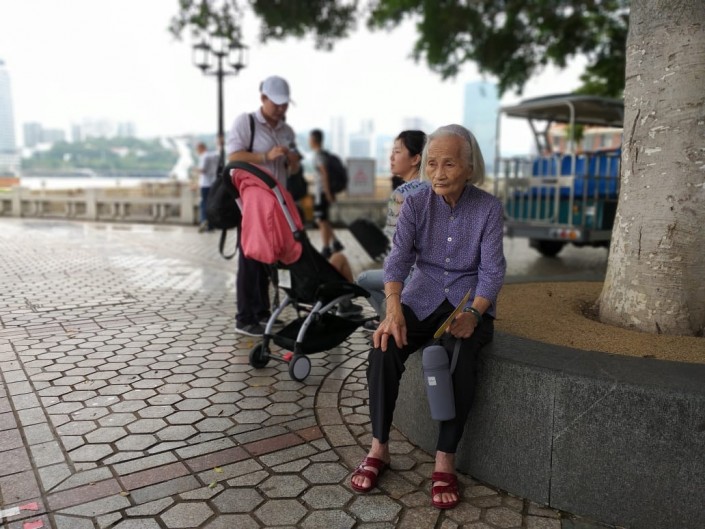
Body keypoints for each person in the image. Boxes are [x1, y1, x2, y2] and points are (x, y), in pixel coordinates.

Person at [350, 124, 506, 510]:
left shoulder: (488, 208)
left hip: (468, 302)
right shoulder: (415, 204)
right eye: (432, 164)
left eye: (449, 164)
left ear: (469, 167)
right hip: (420, 296)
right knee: (383, 345)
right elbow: (398, 260)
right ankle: (379, 447)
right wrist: (392, 310)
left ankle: (444, 460)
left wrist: (474, 313)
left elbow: (492, 271)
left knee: (460, 356)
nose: (438, 173)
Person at [226, 75, 301, 337]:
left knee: (269, 257)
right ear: (263, 98)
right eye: (276, 103)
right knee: (250, 257)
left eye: (284, 104)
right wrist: (265, 156)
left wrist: (292, 160)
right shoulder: (246, 122)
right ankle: (245, 317)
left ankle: (262, 312)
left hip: (277, 203)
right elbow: (233, 157)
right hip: (252, 204)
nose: (280, 108)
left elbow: (294, 169)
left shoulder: (287, 131)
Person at [356, 130, 427, 331]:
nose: (391, 157)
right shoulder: (436, 189)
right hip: (434, 273)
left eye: (397, 151)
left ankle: (388, 320)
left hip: (412, 275)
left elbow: (397, 249)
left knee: (362, 280)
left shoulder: (401, 194)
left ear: (415, 159)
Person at [308, 129, 344, 259]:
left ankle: (326, 247)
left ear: (314, 140)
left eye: (310, 139)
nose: (309, 141)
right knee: (323, 219)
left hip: (322, 194)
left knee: (321, 220)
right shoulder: (323, 154)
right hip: (323, 193)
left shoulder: (319, 156)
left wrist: (328, 193)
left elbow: (325, 174)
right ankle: (335, 243)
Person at [195, 141, 220, 232]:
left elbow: (202, 169)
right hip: (213, 183)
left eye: (197, 149)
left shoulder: (204, 157)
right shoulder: (214, 155)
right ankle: (212, 225)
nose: (197, 151)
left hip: (205, 184)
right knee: (211, 204)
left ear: (200, 148)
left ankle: (205, 222)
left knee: (204, 204)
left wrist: (196, 169)